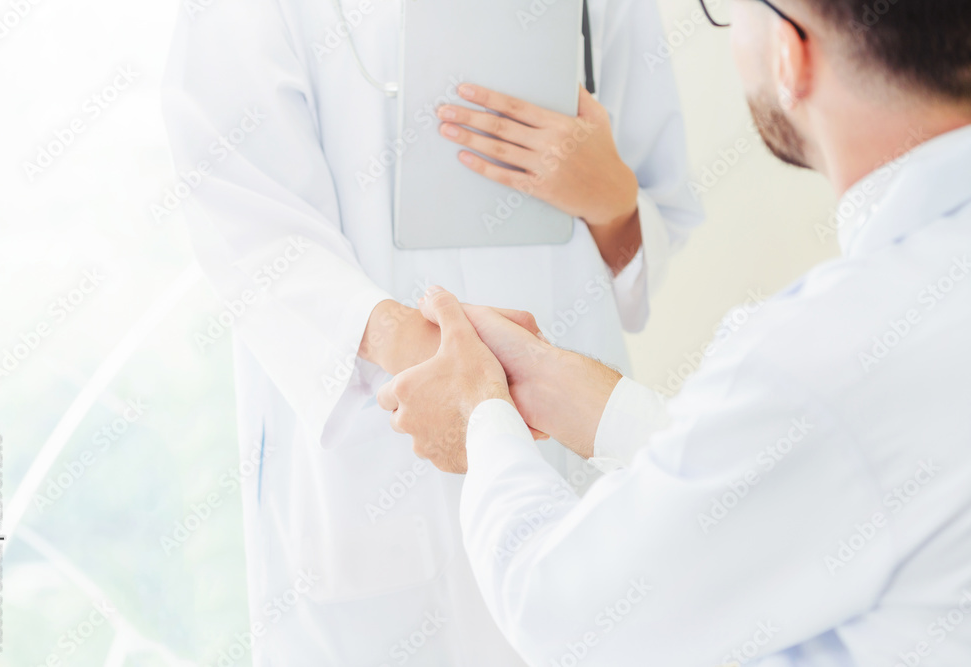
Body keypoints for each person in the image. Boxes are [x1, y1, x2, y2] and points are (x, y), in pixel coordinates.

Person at [379, 0, 971, 664]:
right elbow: (806, 470)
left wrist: (481, 420)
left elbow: (564, 617)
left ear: (790, 54)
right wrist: (588, 403)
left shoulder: (816, 358)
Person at [161, 0, 702, 664]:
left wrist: (611, 199)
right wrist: (440, 360)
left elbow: (658, 223)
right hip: (377, 469)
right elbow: (244, 219)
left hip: (569, 454)